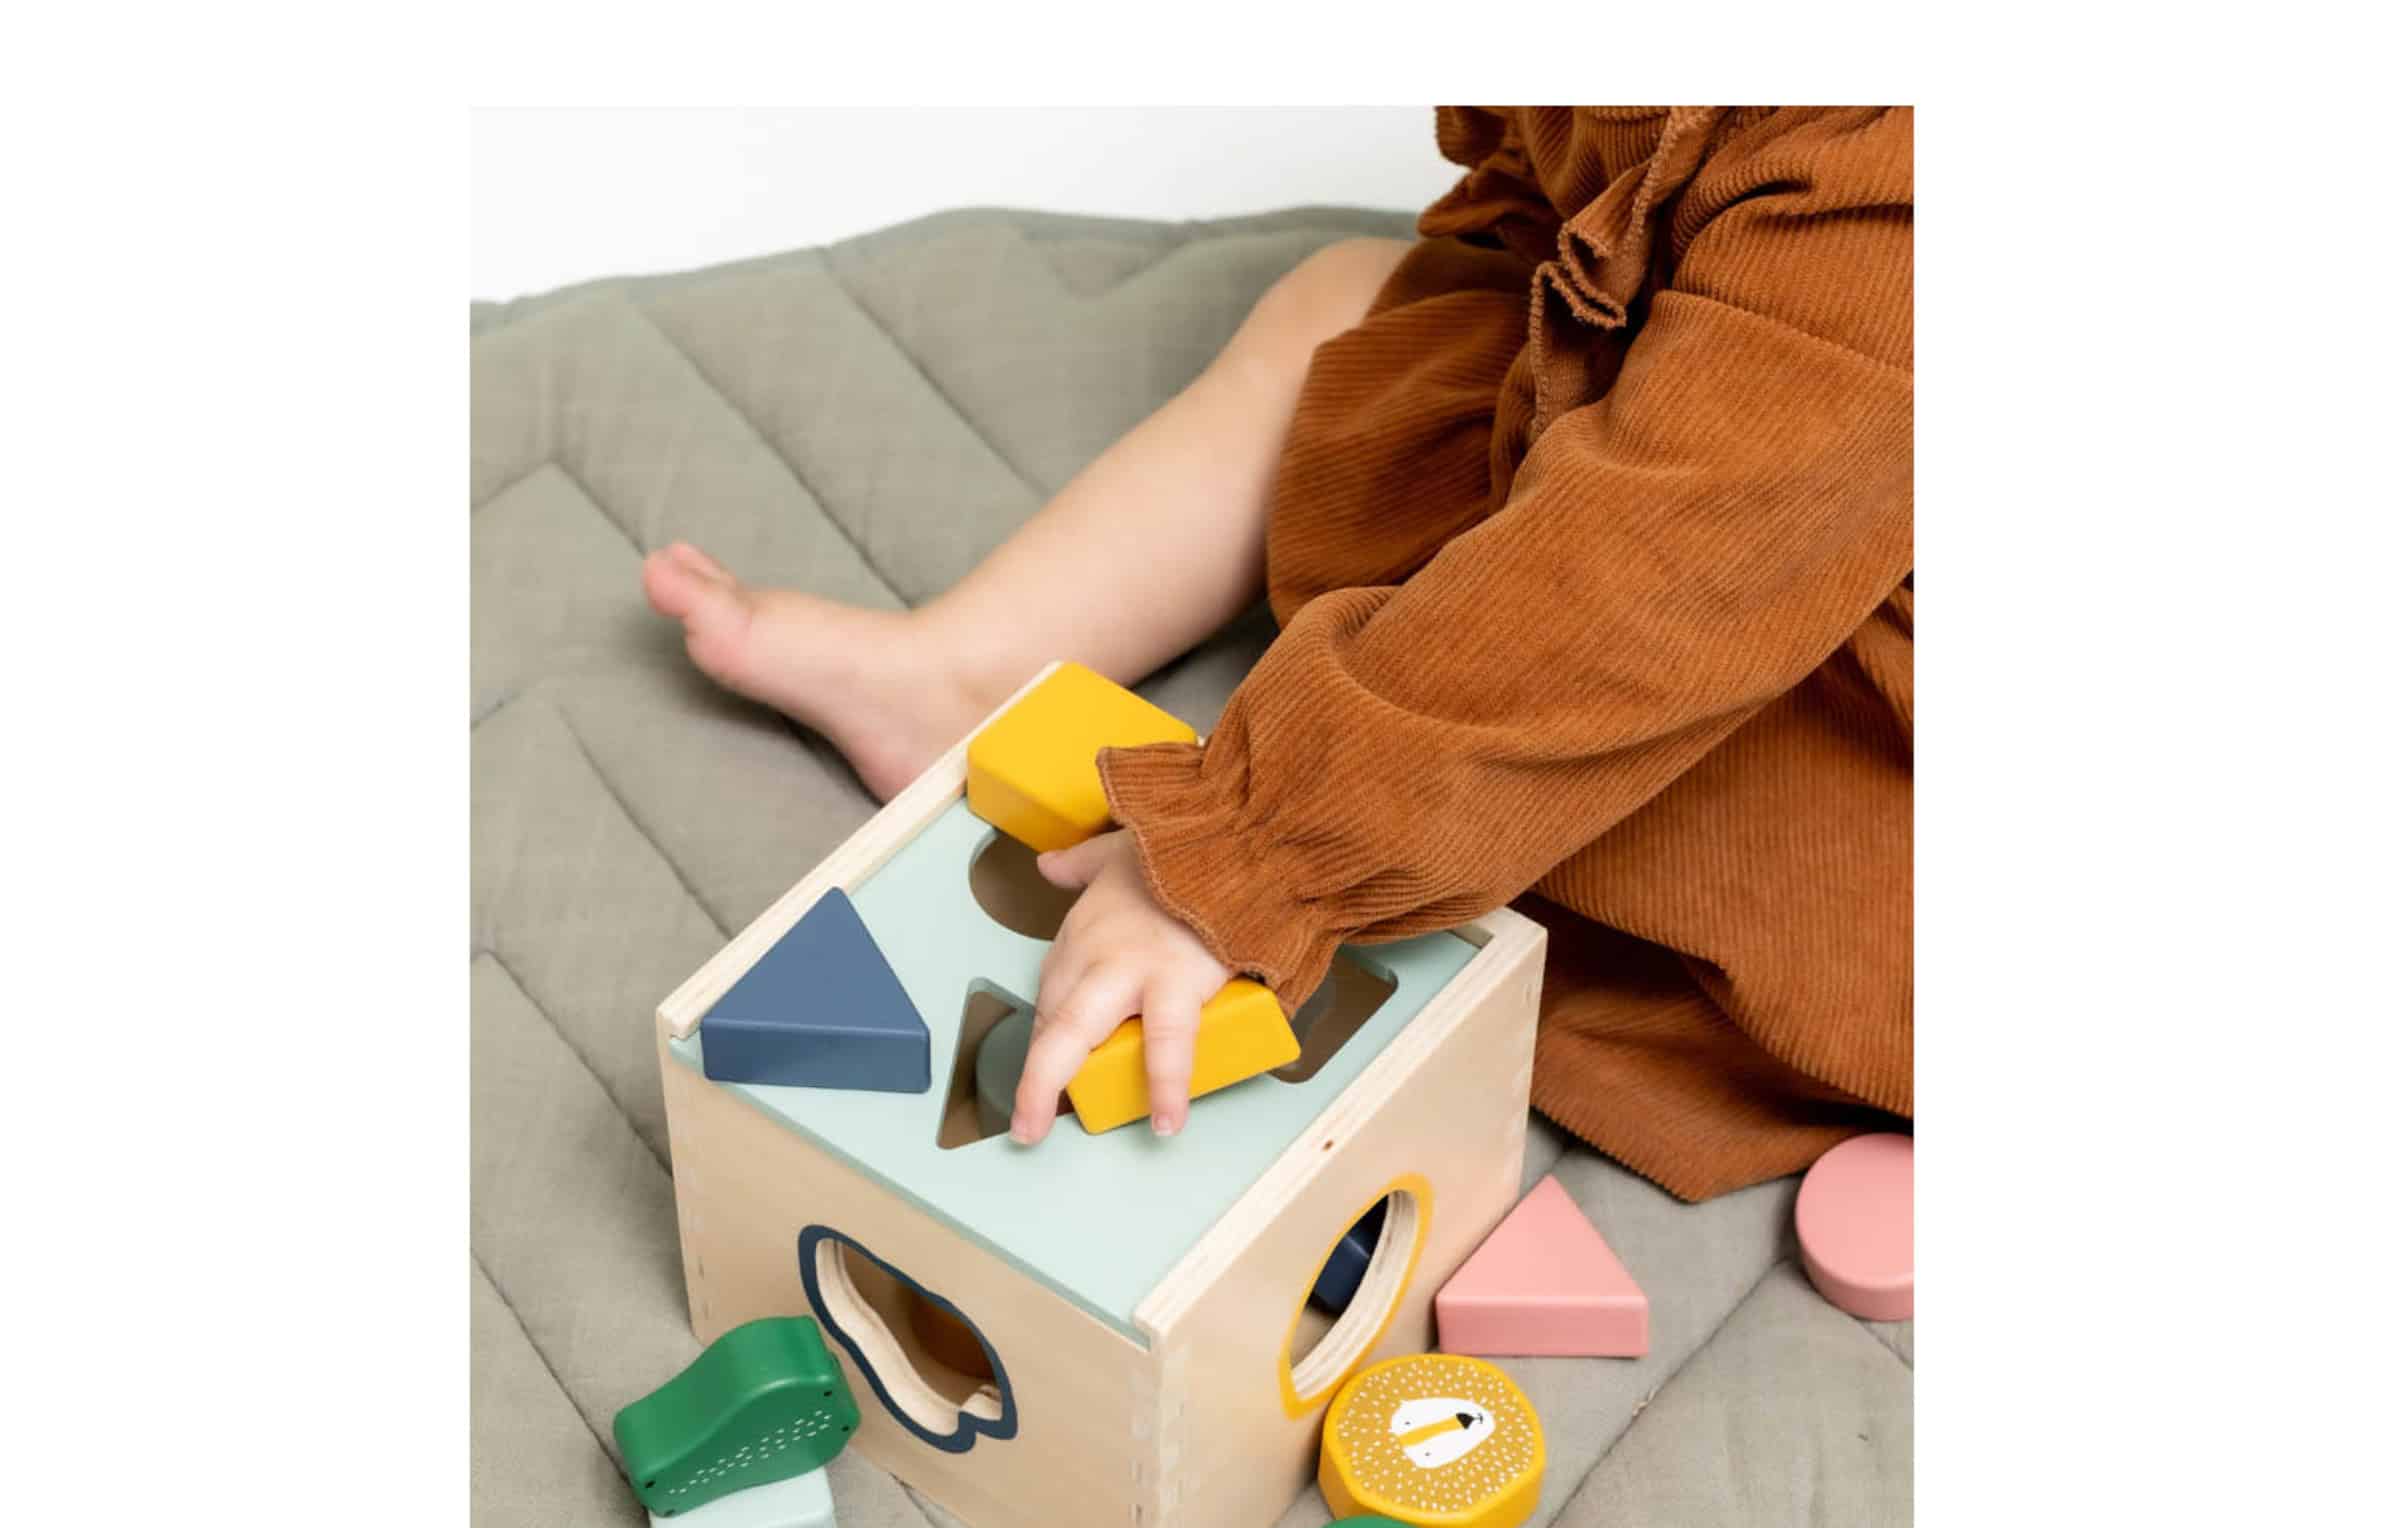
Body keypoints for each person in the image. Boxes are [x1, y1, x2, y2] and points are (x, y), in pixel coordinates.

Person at [642, 106, 1912, 1198]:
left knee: (1647, 718)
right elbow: (1581, 197)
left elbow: (1645, 587)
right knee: (1353, 301)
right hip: (1695, 458)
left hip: (1830, 697)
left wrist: (1255, 855)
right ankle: (964, 671)